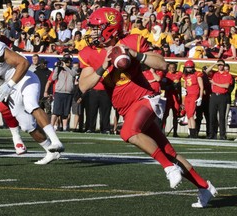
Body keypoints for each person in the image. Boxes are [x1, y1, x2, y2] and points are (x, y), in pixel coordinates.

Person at [78, 7, 217, 208]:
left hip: (145, 99)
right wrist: (104, 66)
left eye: (96, 28)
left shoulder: (131, 41)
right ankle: (205, 187)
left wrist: (136, 55)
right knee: (169, 151)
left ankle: (169, 168)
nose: (91, 32)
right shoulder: (89, 53)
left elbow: (161, 64)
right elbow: (83, 85)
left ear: (110, 28)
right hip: (127, 109)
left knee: (128, 132)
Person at [0, 23, 64, 164]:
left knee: (30, 104)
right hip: (8, 87)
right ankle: (50, 151)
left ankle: (56, 141)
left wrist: (9, 85)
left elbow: (23, 63)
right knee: (27, 125)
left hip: (23, 79)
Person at [205, 59, 233, 140]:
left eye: (222, 65)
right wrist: (215, 63)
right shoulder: (214, 73)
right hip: (214, 96)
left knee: (222, 116)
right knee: (212, 116)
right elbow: (206, 71)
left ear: (224, 66)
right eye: (219, 65)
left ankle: (222, 135)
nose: (220, 66)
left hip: (222, 96)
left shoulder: (228, 75)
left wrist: (215, 83)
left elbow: (226, 86)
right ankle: (212, 134)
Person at [50, 54, 78, 131]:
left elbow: (74, 74)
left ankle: (65, 127)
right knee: (56, 111)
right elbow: (53, 78)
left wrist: (65, 67)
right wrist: (57, 68)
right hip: (59, 92)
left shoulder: (73, 68)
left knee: (66, 112)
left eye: (67, 61)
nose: (66, 62)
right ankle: (51, 126)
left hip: (69, 93)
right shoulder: (59, 69)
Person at [182, 60, 204, 138]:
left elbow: (201, 87)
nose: (188, 69)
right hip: (187, 96)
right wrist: (184, 89)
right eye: (187, 68)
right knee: (188, 115)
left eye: (190, 67)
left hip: (194, 95)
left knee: (191, 114)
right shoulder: (185, 75)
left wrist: (200, 97)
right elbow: (185, 86)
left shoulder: (197, 74)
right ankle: (190, 132)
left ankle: (193, 133)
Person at [162, 62, 182, 137]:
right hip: (167, 96)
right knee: (165, 114)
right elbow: (163, 85)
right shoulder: (165, 74)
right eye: (170, 67)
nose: (172, 69)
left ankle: (175, 132)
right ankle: (162, 131)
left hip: (175, 96)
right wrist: (169, 86)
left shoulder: (179, 74)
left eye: (173, 67)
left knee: (176, 114)